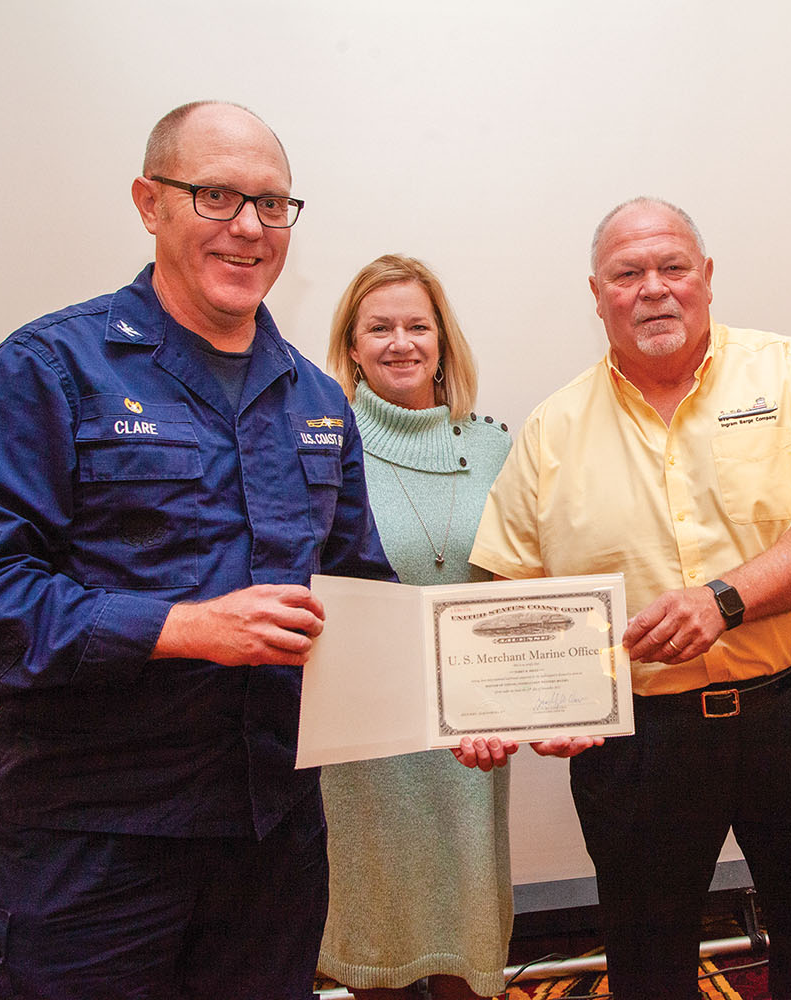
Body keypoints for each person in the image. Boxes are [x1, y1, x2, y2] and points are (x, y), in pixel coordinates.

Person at [0, 101, 393, 1000]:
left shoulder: (318, 400)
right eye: (216, 195)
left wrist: (480, 703)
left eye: (273, 204)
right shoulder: (50, 369)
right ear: (150, 202)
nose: (250, 227)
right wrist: (181, 627)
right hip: (92, 845)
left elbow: (360, 596)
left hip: (272, 844)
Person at [465, 197, 791, 1000]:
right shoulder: (553, 429)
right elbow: (509, 589)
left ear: (706, 278)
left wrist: (721, 601)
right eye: (629, 274)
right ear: (598, 294)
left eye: (673, 268)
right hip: (643, 742)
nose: (653, 290)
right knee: (648, 957)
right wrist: (546, 701)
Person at [317, 255, 513, 999]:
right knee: (380, 951)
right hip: (367, 747)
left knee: (465, 948)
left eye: (416, 325)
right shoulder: (320, 444)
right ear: (353, 345)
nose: (400, 342)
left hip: (471, 739)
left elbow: (519, 585)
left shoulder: (495, 445)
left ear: (442, 340)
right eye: (379, 328)